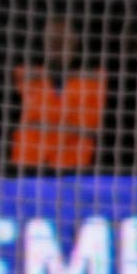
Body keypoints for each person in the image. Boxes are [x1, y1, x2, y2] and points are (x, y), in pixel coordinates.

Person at [10, 15, 105, 171]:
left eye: (63, 41)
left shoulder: (95, 80)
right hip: (27, 166)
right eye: (53, 41)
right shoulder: (25, 75)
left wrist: (45, 125)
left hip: (75, 167)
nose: (58, 47)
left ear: (75, 41)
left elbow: (91, 128)